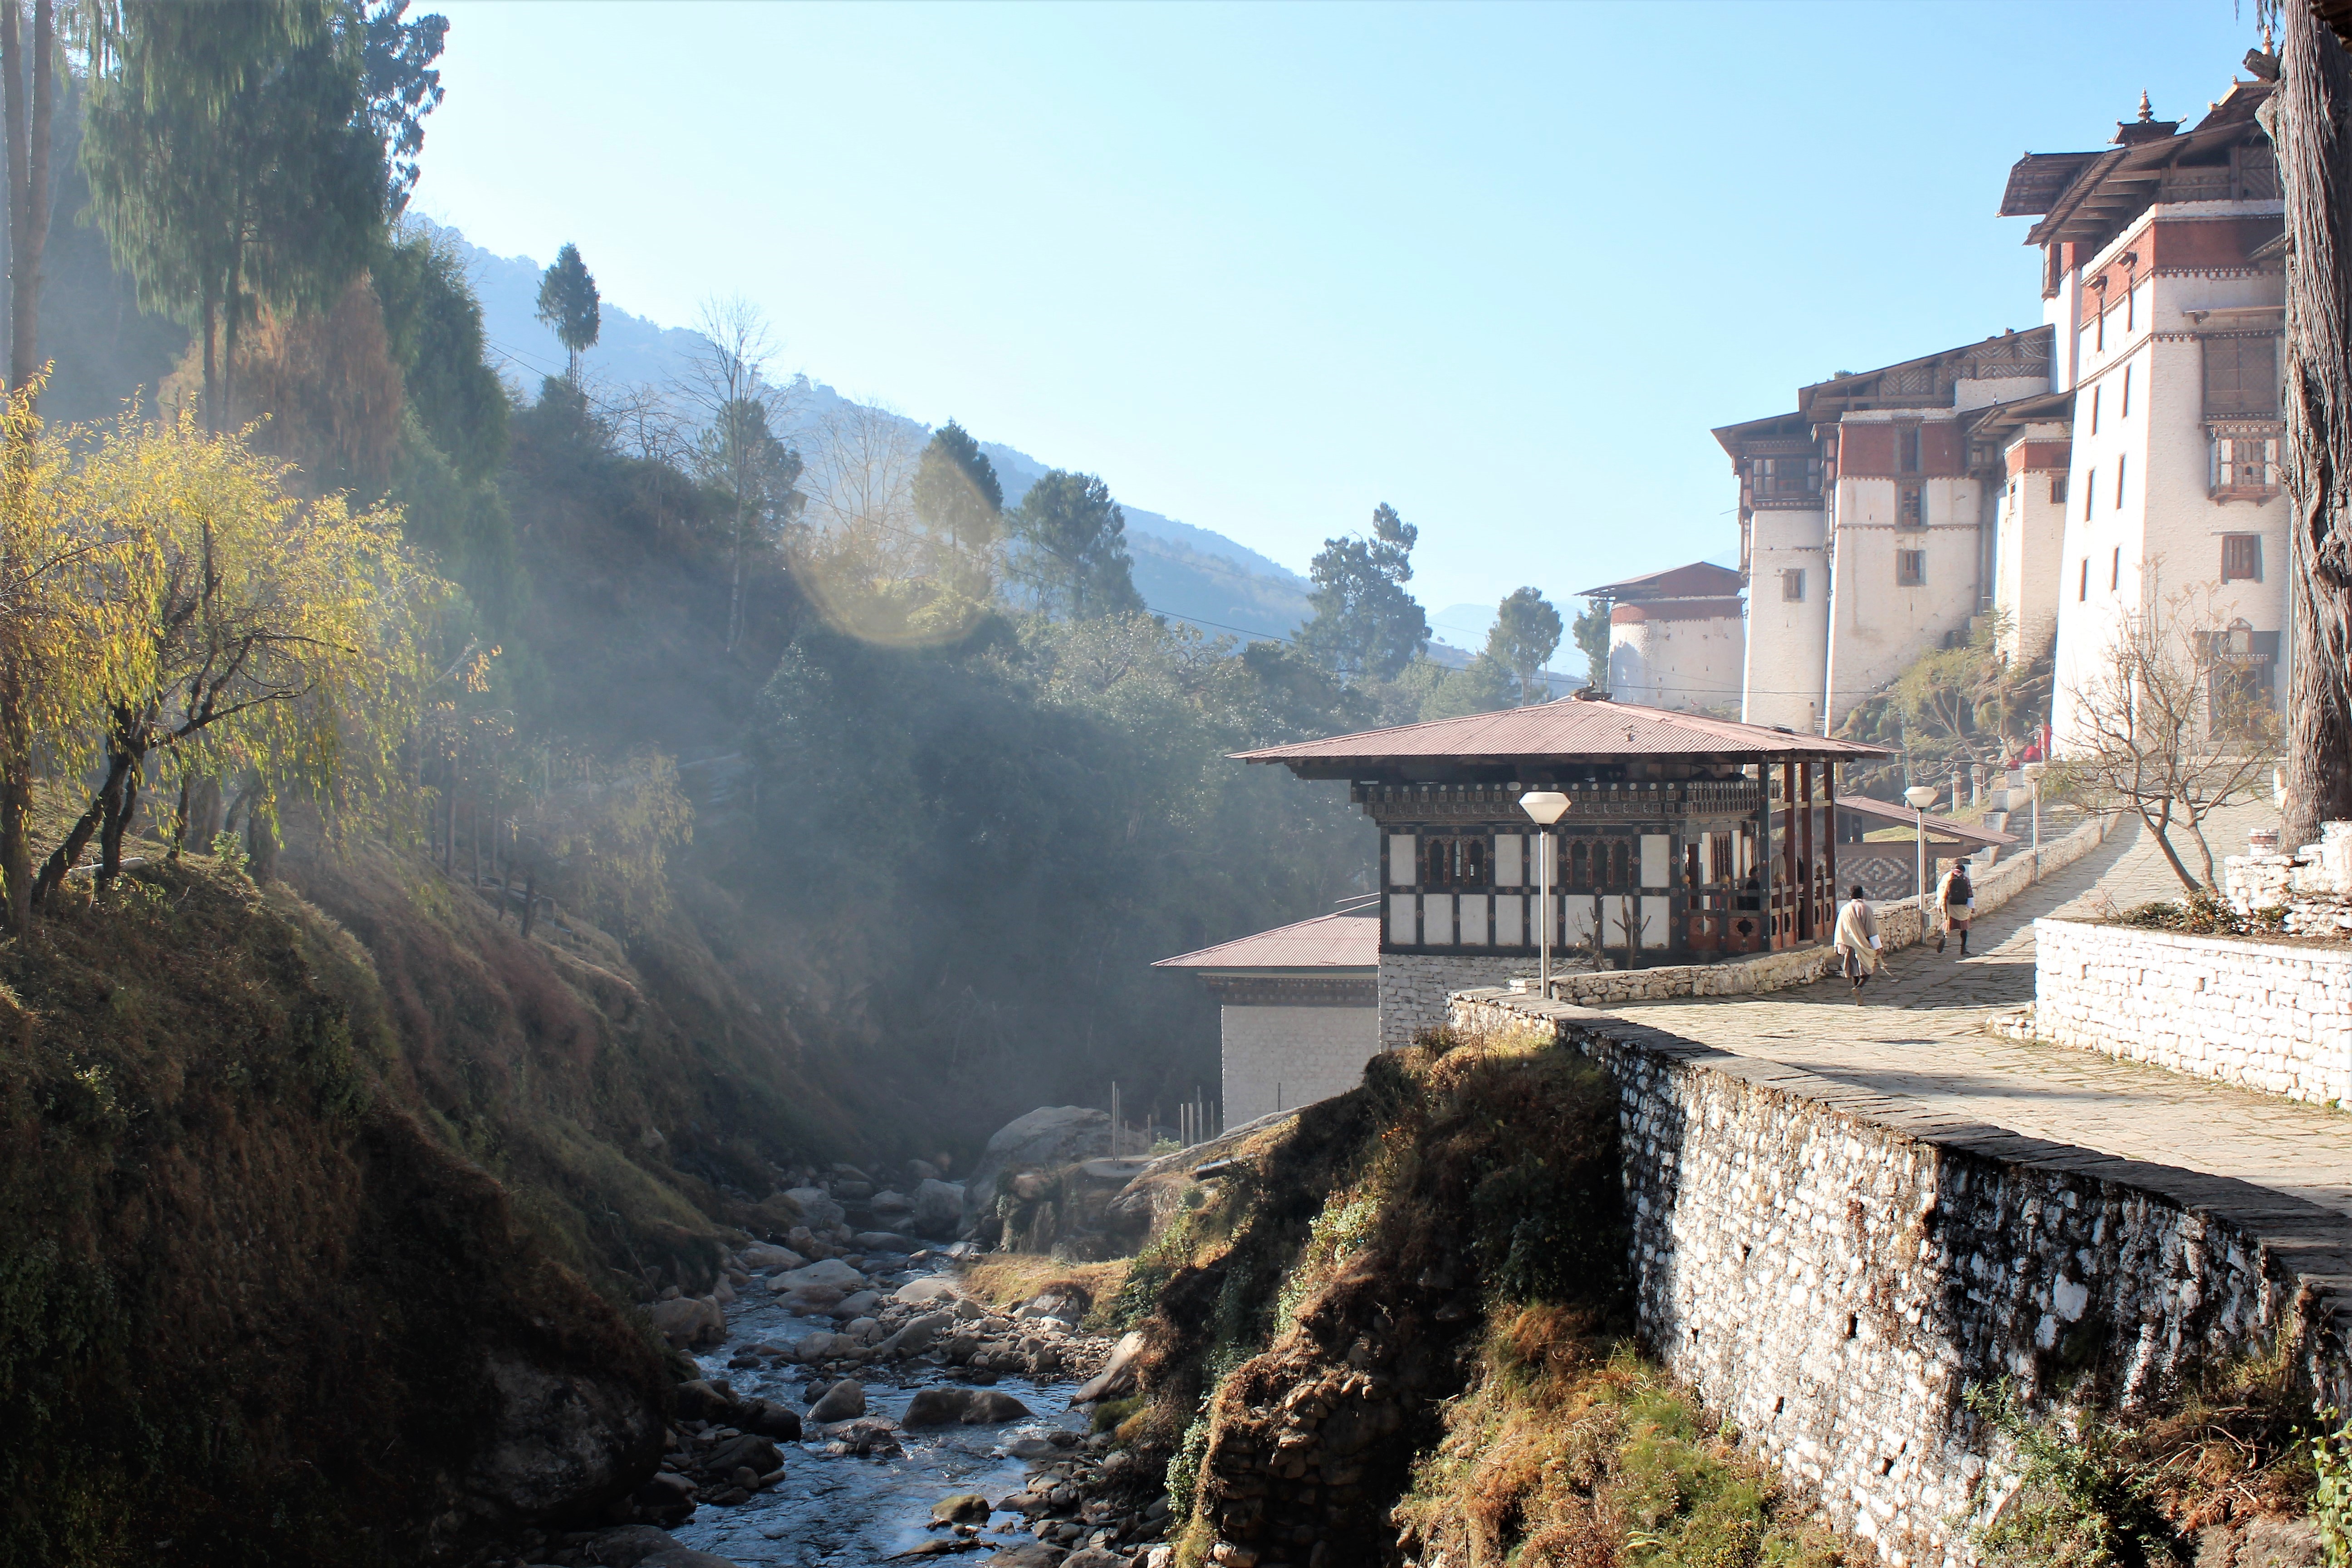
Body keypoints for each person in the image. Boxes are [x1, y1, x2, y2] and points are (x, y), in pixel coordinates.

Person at [1833, 884, 1880, 1004]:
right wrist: (1878, 947)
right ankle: (1858, 988)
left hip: (1849, 945)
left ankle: (1856, 991)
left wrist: (1839, 945)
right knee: (1868, 970)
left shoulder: (1844, 909)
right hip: (1863, 944)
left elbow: (1840, 928)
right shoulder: (1865, 909)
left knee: (1854, 971)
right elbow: (1872, 930)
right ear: (1862, 895)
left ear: (1850, 895)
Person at [1935, 859, 1975, 956]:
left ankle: (1945, 937)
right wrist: (1972, 907)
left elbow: (1940, 890)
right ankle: (1963, 948)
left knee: (1948, 923)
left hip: (1949, 905)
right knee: (1964, 927)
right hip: (1961, 906)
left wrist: (1940, 903)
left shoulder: (1947, 878)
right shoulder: (1965, 879)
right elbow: (1969, 894)